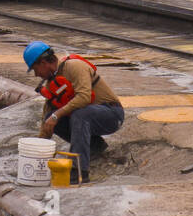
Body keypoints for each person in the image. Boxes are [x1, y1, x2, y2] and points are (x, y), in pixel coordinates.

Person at [23, 40, 124, 184]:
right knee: (52, 119)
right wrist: (36, 152)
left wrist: (56, 115)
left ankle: (79, 172)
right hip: (88, 117)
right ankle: (95, 146)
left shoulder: (74, 66)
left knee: (79, 115)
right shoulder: (52, 83)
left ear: (44, 63)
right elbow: (48, 120)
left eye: (35, 69)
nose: (36, 75)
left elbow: (84, 97)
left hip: (112, 114)